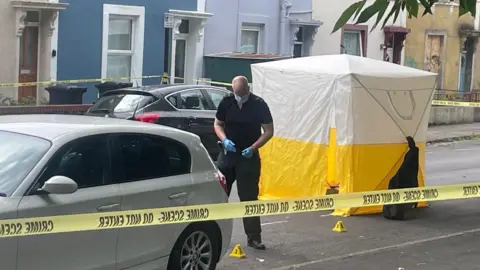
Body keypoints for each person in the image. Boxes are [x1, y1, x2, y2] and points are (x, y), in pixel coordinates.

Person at [214, 76, 274, 250]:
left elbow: (269, 131)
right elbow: (218, 124)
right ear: (233, 91)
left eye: (242, 95)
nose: (239, 99)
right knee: (219, 195)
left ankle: (254, 238)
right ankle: (217, 235)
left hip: (248, 156)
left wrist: (254, 147)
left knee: (249, 197)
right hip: (227, 155)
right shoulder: (227, 102)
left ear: (248, 90)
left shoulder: (258, 104)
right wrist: (224, 140)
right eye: (236, 95)